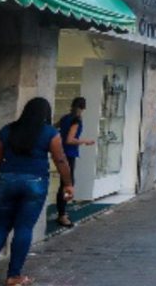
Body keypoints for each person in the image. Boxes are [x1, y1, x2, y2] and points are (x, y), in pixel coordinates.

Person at [0, 98, 73, 286]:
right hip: (35, 182)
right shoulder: (50, 132)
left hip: (7, 181)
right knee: (24, 228)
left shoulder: (6, 130)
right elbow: (60, 159)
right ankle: (13, 276)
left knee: (0, 226)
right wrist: (68, 184)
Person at [56, 97, 95, 227]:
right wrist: (85, 141)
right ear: (83, 108)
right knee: (67, 184)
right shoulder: (76, 120)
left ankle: (62, 211)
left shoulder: (65, 118)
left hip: (61, 152)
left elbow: (55, 128)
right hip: (69, 154)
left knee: (65, 183)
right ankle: (62, 214)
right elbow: (70, 139)